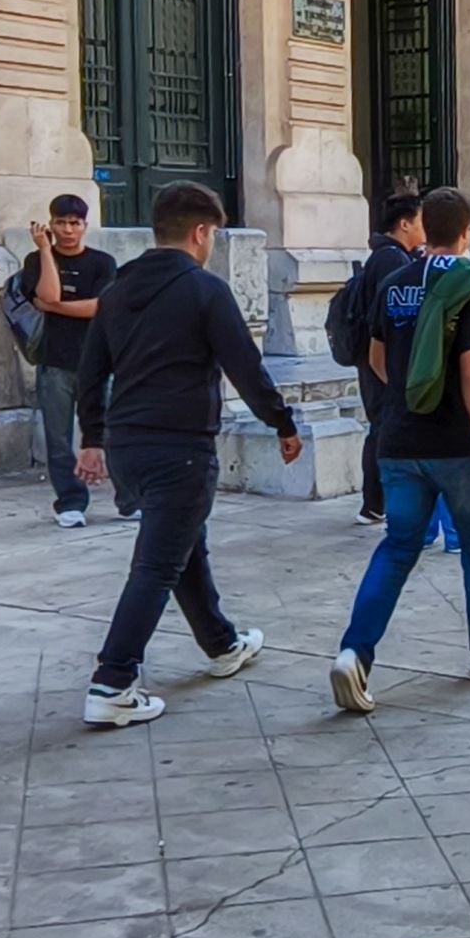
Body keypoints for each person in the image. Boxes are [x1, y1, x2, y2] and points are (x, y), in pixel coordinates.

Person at [75, 182, 299, 726]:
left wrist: (93, 436)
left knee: (181, 547)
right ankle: (113, 681)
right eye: (213, 234)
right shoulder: (205, 290)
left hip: (129, 442)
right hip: (180, 447)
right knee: (156, 563)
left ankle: (222, 644)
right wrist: (282, 422)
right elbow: (244, 366)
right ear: (201, 231)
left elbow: (90, 372)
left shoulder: (117, 289)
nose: (212, 244)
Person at [330, 187, 470, 713]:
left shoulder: (394, 281)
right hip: (456, 443)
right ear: (467, 232)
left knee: (397, 548)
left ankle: (354, 652)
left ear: (424, 226)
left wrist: (406, 397)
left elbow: (376, 357)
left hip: (397, 438)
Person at [21, 194, 130, 528]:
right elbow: (50, 293)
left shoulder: (102, 263)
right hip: (54, 361)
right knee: (58, 438)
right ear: (50, 225)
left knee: (111, 433)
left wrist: (53, 307)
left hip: (97, 363)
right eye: (61, 223)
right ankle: (70, 501)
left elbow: (97, 307)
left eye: (74, 223)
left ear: (85, 226)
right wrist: (44, 250)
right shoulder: (36, 260)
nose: (68, 230)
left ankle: (129, 498)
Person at [352, 193, 427, 527]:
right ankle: (377, 502)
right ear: (405, 223)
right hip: (380, 361)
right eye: (421, 221)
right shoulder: (391, 261)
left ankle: (375, 503)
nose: (426, 229)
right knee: (384, 429)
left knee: (380, 428)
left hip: (376, 359)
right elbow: (389, 319)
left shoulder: (389, 256)